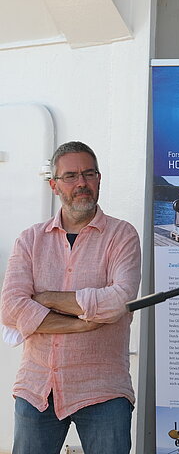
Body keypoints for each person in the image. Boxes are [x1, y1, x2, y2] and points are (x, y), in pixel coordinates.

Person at [1, 141, 141, 454]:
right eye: (71, 176)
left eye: (89, 174)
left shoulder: (122, 236)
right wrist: (82, 324)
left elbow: (119, 300)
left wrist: (47, 297)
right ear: (54, 185)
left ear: (99, 179)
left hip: (103, 389)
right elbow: (11, 307)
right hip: (38, 387)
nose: (81, 183)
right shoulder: (30, 239)